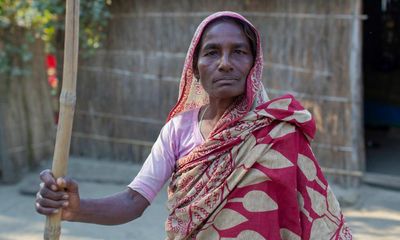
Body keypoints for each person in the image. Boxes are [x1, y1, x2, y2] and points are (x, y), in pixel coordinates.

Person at [36, 11, 352, 239]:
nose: (225, 62)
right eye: (212, 52)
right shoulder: (177, 130)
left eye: (238, 52)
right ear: (195, 68)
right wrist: (75, 208)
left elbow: (313, 213)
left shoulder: (277, 131)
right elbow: (133, 202)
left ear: (253, 65)